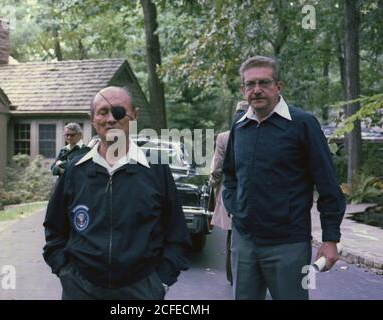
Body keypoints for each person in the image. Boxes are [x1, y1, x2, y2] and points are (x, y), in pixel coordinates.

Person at [43, 86, 191, 300]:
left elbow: (176, 233)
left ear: (135, 116)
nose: (111, 119)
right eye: (103, 112)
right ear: (92, 119)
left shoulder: (157, 171)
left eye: (119, 112)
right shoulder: (75, 171)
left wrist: (161, 281)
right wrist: (65, 271)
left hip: (140, 291)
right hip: (81, 289)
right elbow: (54, 229)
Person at [222, 56, 346, 300]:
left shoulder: (303, 125)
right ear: (242, 89)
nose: (256, 90)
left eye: (264, 83)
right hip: (244, 243)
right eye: (250, 84)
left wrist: (331, 238)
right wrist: (236, 209)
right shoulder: (239, 126)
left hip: (288, 245)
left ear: (279, 86)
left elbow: (328, 185)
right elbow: (230, 176)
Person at [209, 101, 248, 286]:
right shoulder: (256, 132)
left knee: (232, 234)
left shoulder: (224, 137)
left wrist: (213, 184)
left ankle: (232, 275)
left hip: (230, 191)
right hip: (250, 192)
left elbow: (217, 167)